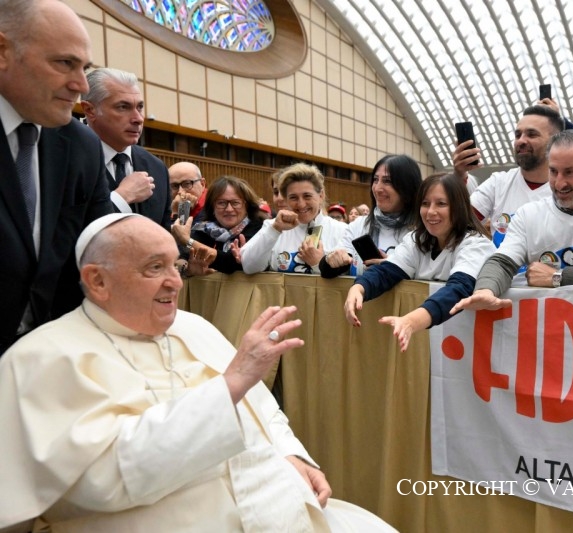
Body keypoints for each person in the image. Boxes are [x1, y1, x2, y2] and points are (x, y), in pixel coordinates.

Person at [0, 213, 396, 532]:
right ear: (97, 281)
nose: (175, 281)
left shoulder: (193, 326)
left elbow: (262, 409)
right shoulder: (43, 358)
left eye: (175, 264)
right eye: (155, 268)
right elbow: (101, 479)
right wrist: (229, 385)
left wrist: (294, 455)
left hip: (280, 505)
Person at [0, 0, 113, 354]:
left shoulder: (82, 146)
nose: (81, 85)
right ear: (2, 51)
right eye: (65, 63)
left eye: (85, 67)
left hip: (50, 357)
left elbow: (97, 251)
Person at [451, 130, 573, 314]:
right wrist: (486, 290)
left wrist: (557, 277)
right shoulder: (529, 214)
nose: (559, 183)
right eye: (553, 171)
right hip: (547, 333)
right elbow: (502, 262)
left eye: (570, 172)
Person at [345, 173, 495, 352]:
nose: (431, 211)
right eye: (425, 203)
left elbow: (458, 290)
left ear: (459, 207)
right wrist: (358, 288)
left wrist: (410, 322)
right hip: (426, 346)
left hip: (469, 347)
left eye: (441, 203)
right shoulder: (417, 239)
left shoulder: (475, 244)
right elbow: (386, 272)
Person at [454, 104, 565, 246]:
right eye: (518, 135)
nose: (521, 141)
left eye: (531, 134)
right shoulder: (498, 183)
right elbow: (459, 224)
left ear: (555, 142)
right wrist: (459, 175)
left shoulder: (567, 189)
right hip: (499, 268)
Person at [82, 67, 171, 228]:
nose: (138, 119)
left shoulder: (157, 168)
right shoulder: (65, 161)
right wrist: (121, 197)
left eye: (140, 107)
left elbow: (163, 234)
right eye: (123, 107)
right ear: (90, 110)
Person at [320, 154, 422, 278]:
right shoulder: (360, 225)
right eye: (375, 180)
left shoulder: (421, 232)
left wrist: (396, 267)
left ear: (408, 187)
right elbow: (330, 270)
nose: (378, 188)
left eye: (387, 181)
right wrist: (331, 261)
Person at [240, 163, 347, 274]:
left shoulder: (342, 231)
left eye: (307, 196)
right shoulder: (272, 226)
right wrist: (274, 231)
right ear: (286, 200)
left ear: (321, 196)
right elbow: (249, 267)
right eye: (293, 198)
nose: (301, 204)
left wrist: (319, 264)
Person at [172, 176, 263, 275]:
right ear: (212, 207)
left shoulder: (259, 227)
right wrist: (188, 269)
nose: (229, 209)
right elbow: (182, 259)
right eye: (221, 203)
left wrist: (187, 241)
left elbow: (231, 261)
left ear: (247, 206)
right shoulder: (205, 229)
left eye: (235, 203)